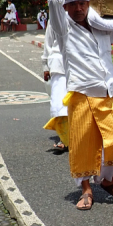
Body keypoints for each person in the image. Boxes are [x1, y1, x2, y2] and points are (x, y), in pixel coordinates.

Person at [46, 0, 113, 210]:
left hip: (108, 90)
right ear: (66, 8)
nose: (78, 8)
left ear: (89, 4)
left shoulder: (99, 25)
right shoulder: (63, 28)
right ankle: (86, 189)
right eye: (73, 4)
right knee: (83, 144)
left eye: (82, 3)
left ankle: (109, 181)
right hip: (81, 92)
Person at [42, 21, 69, 151]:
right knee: (60, 105)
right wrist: (45, 65)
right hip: (59, 64)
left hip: (80, 66)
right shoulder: (55, 18)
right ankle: (63, 138)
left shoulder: (86, 14)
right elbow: (48, 43)